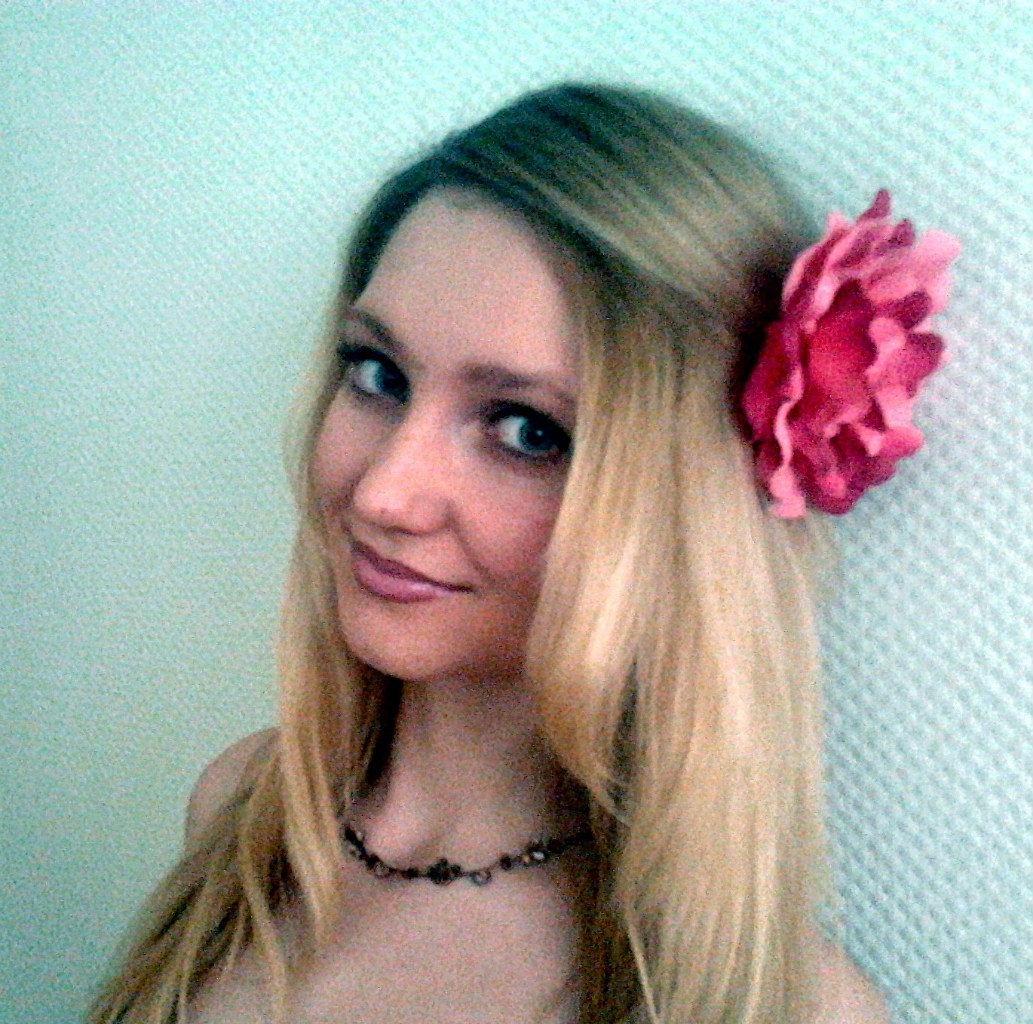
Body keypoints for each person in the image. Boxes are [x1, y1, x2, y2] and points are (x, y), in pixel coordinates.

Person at [89, 81, 943, 1023]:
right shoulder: (242, 815)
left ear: (687, 515)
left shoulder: (773, 1004)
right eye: (376, 374)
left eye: (526, 431)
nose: (381, 494)